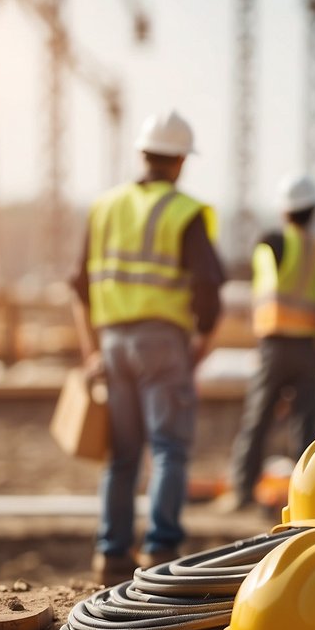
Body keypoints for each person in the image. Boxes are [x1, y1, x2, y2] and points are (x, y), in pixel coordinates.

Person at [69, 110, 226, 586]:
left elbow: (78, 287)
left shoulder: (104, 208)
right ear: (180, 162)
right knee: (169, 449)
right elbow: (210, 287)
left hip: (112, 342)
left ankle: (110, 554)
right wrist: (200, 343)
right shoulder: (185, 212)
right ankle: (159, 552)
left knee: (122, 453)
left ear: (142, 154)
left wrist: (90, 351)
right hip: (163, 341)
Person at [218, 174, 315, 512]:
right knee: (306, 427)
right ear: (313, 210)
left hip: (274, 347)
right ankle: (308, 499)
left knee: (257, 421)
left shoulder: (272, 241)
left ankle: (242, 492)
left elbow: (257, 275)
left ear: (284, 210)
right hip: (309, 349)